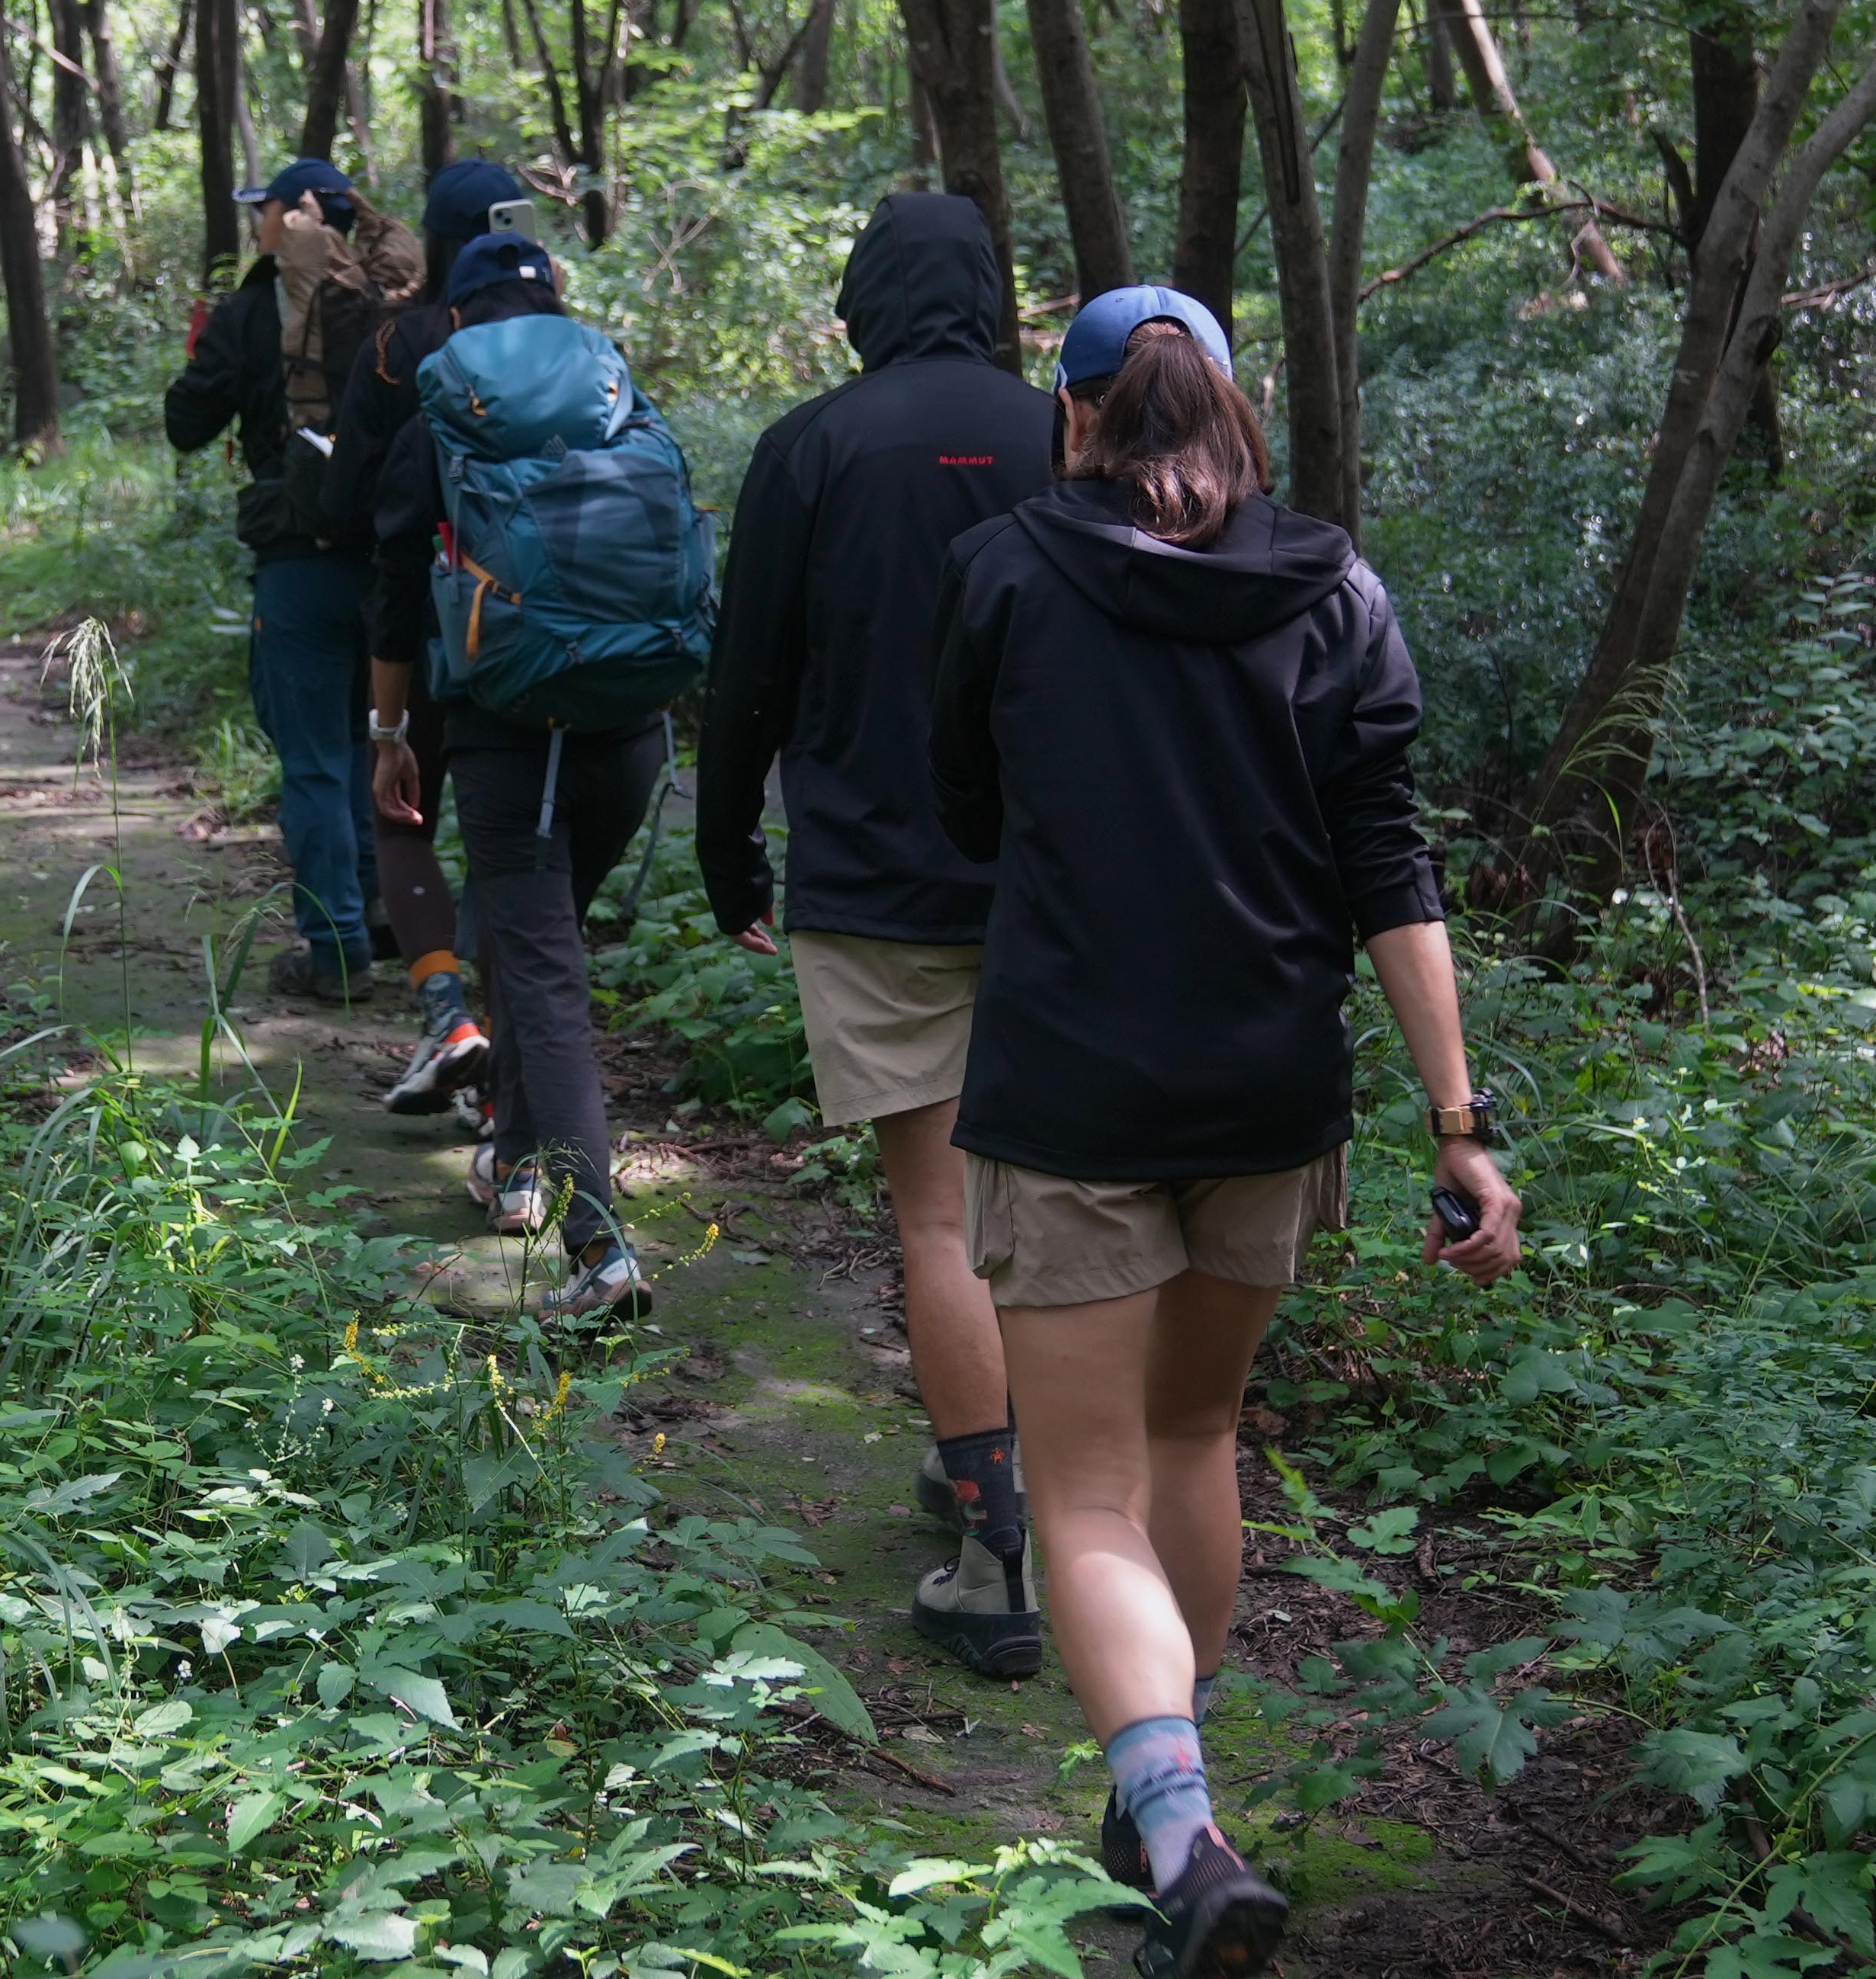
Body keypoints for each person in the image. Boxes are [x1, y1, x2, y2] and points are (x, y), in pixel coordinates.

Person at [927, 293, 1524, 1978]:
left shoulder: (1009, 573)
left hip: (1071, 1085)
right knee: (1196, 1438)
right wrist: (1461, 1125)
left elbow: (964, 803)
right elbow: (1391, 868)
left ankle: (1175, 1823)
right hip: (1270, 1087)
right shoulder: (1337, 591)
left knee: (1087, 1492)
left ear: (1074, 418)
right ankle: (1181, 1785)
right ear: (1230, 412)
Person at [689, 192, 1050, 1677]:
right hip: (1057, 889)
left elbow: (747, 671)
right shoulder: (1059, 430)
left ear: (861, 303)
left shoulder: (812, 447)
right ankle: (1027, 1482)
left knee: (938, 1218)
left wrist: (728, 855)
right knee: (1048, 1219)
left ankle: (994, 1543)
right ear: (991, 294)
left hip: (876, 883)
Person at [366, 231, 686, 1318]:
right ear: (556, 307)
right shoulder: (619, 406)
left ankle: (600, 1249)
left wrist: (390, 727)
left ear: (458, 320)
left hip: (509, 734)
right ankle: (509, 1159)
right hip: (630, 726)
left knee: (541, 979)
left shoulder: (443, 425)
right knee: (525, 933)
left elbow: (394, 582)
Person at [319, 160, 538, 1114]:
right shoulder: (569, 353)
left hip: (419, 630)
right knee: (510, 840)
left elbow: (352, 506)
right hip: (541, 636)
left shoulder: (396, 344)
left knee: (398, 806)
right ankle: (502, 1073)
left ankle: (450, 1015)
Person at [165, 156, 406, 998]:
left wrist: (207, 349)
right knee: (371, 742)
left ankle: (336, 950)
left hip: (300, 565)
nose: (256, 225)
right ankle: (379, 913)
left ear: (294, 217)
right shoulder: (392, 302)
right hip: (392, 568)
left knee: (312, 760)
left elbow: (186, 423)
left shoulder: (250, 310)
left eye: (262, 210)